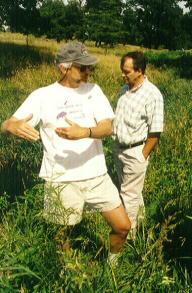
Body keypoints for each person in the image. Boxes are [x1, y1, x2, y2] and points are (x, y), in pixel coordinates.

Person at [1, 42, 131, 264]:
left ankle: (113, 264)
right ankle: (65, 271)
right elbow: (8, 123)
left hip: (96, 175)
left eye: (90, 67)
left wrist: (85, 132)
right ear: (64, 68)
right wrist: (10, 127)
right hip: (61, 179)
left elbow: (108, 127)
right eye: (83, 67)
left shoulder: (94, 90)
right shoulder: (42, 96)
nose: (88, 71)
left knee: (123, 226)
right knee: (63, 234)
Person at [113, 51, 164, 235]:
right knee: (132, 193)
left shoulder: (152, 95)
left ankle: (128, 235)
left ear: (139, 70)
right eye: (122, 71)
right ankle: (141, 230)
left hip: (135, 152)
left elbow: (156, 131)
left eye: (127, 71)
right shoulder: (124, 90)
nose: (123, 75)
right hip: (118, 149)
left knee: (128, 194)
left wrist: (142, 156)